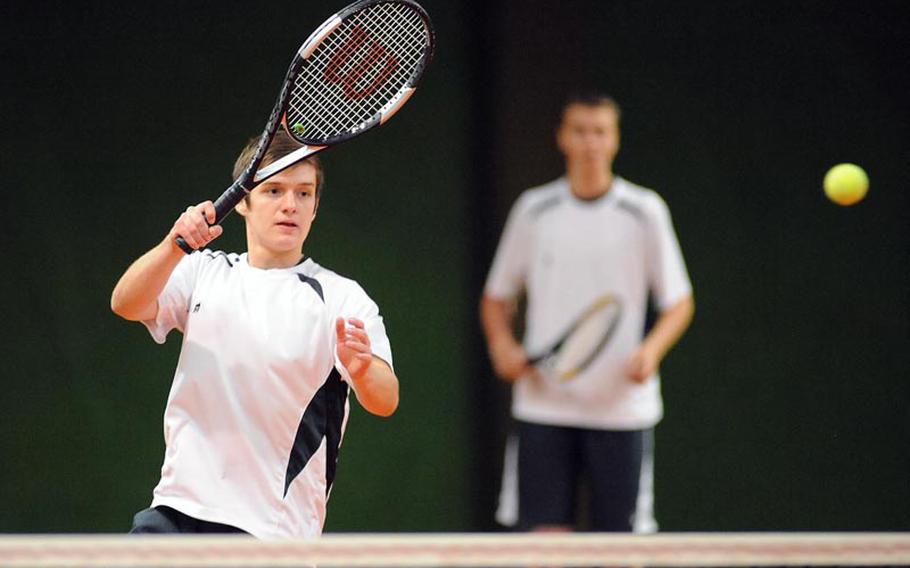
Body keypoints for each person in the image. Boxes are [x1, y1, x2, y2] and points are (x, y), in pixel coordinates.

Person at [111, 130, 399, 538]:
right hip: (176, 510)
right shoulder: (202, 271)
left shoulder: (341, 298)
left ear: (316, 207)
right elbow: (126, 303)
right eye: (274, 190)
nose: (290, 205)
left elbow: (386, 399)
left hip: (269, 532)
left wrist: (363, 368)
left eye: (303, 194)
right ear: (243, 201)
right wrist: (173, 246)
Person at [480, 93, 694, 532]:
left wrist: (651, 351)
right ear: (563, 138)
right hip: (544, 407)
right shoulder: (534, 210)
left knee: (618, 549)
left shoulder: (645, 212)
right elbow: (496, 299)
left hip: (621, 410)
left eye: (600, 132)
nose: (590, 143)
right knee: (543, 548)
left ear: (614, 141)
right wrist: (503, 344)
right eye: (580, 132)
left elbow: (679, 302)